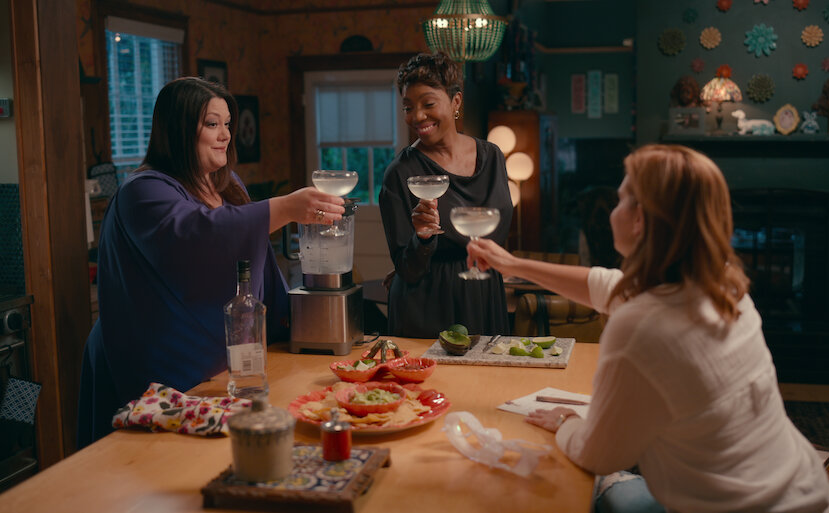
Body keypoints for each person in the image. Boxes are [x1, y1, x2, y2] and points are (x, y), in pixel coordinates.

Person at [467, 144, 829, 512]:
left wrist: (566, 420)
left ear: (640, 219)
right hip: (801, 491)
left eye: (621, 199)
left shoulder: (641, 326)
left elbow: (599, 456)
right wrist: (513, 265)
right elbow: (608, 286)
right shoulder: (723, 285)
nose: (613, 210)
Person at [77, 77, 346, 447]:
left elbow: (250, 259)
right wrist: (282, 208)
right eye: (212, 124)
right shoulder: (142, 190)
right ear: (179, 129)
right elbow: (199, 237)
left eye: (228, 124)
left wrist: (294, 324)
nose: (225, 135)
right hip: (153, 363)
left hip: (221, 371)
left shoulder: (227, 183)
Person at [379, 52, 511, 338]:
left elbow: (497, 233)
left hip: (482, 293)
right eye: (408, 107)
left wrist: (450, 237)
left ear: (456, 102)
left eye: (428, 104)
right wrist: (423, 239)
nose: (417, 116)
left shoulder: (492, 157)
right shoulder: (399, 173)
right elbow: (407, 268)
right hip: (425, 303)